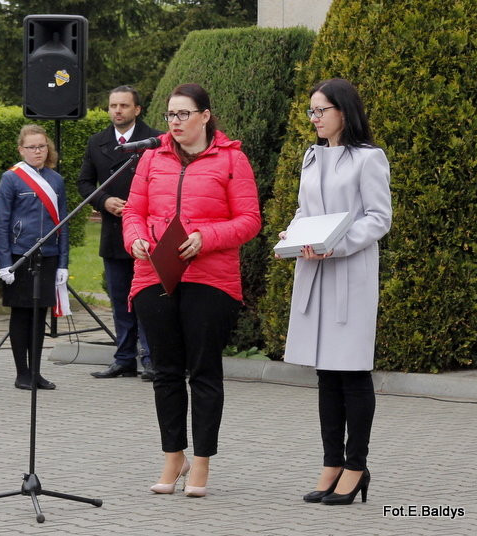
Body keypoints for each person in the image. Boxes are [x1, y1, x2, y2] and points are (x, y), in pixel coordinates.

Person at [123, 83, 260, 497]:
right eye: (171, 115)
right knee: (164, 372)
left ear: (205, 115)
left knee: (203, 372)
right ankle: (173, 456)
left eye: (184, 114)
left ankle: (201, 462)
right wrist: (135, 240)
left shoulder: (232, 159)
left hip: (210, 278)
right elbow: (133, 211)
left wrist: (206, 237)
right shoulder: (151, 157)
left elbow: (250, 220)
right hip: (153, 275)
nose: (176, 122)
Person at [278, 78, 391, 505]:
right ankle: (331, 462)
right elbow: (307, 209)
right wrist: (293, 232)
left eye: (321, 110)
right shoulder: (311, 157)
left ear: (343, 111)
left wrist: (334, 244)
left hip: (350, 274)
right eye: (311, 111)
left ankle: (356, 465)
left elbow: (379, 218)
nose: (315, 118)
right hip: (314, 271)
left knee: (353, 371)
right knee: (326, 373)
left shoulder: (369, 158)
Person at [78, 85, 162, 381]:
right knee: (119, 299)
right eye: (113, 106)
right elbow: (85, 183)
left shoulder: (155, 141)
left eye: (124, 106)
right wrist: (104, 201)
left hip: (146, 234)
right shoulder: (97, 142)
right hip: (114, 232)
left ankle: (152, 359)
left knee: (148, 299)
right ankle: (125, 357)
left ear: (137, 110)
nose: (117, 111)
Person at [0, 124, 69, 390]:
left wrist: (63, 263)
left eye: (42, 146)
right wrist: (4, 263)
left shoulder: (55, 180)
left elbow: (63, 224)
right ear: (21, 149)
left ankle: (36, 372)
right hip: (19, 257)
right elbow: (0, 223)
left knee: (39, 316)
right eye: (32, 147)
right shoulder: (11, 178)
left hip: (47, 256)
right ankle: (21, 373)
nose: (38, 151)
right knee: (21, 315)